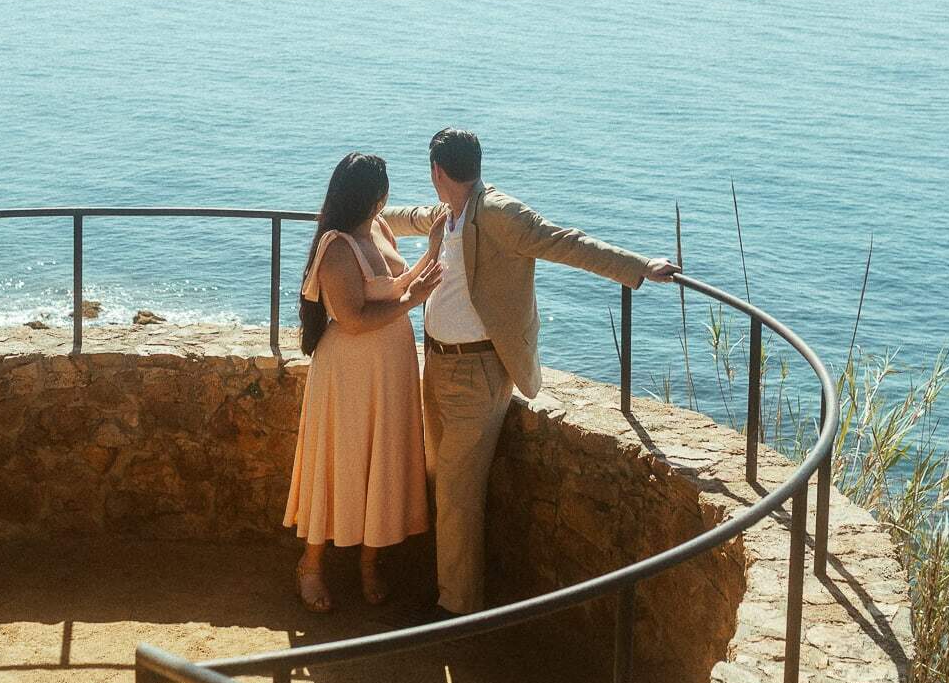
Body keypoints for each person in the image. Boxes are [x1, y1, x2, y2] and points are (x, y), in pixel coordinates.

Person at [386, 129, 677, 617]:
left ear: (437, 171)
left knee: (457, 494)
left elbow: (564, 242)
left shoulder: (499, 213)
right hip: (436, 363)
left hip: (476, 371)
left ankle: (456, 609)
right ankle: (446, 587)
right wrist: (357, 215)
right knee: (438, 477)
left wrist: (640, 266)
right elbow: (407, 217)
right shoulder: (448, 213)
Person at [283, 151, 443, 613]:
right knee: (341, 460)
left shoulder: (380, 228)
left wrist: (431, 251)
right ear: (373, 195)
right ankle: (310, 565)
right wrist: (413, 301)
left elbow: (397, 284)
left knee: (383, 458)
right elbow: (352, 318)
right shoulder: (336, 246)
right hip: (350, 370)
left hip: (390, 366)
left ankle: (369, 563)